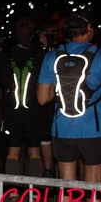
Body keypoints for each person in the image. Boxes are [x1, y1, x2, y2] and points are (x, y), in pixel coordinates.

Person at [37, 11, 101, 202]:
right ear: (89, 28)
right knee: (94, 188)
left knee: (66, 187)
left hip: (62, 128)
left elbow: (42, 99)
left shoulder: (51, 56)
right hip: (94, 129)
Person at [0, 16, 47, 201]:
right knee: (34, 151)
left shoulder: (5, 53)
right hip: (34, 108)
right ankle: (34, 192)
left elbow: (2, 82)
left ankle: (13, 192)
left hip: (12, 109)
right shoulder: (40, 53)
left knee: (13, 150)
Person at [37, 21, 60, 177]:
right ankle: (48, 169)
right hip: (45, 100)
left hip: (60, 100)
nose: (40, 40)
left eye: (42, 37)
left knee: (59, 137)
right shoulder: (40, 53)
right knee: (45, 135)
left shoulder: (59, 53)